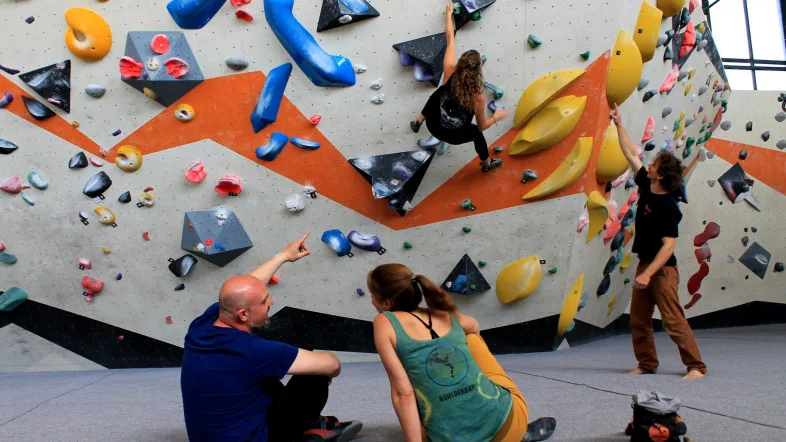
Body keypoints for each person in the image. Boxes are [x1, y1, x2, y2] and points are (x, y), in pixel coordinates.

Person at [181, 233, 363, 442]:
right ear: (243, 314)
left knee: (274, 371)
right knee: (316, 374)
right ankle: (303, 432)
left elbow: (250, 285)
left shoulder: (202, 326)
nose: (271, 302)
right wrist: (321, 369)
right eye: (264, 301)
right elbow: (333, 365)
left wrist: (284, 256)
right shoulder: (251, 350)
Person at [367, 263, 556, 442]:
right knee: (472, 338)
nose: (371, 300)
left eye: (372, 295)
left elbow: (403, 394)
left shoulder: (384, 322)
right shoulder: (443, 313)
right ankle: (517, 433)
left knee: (414, 385)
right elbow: (474, 326)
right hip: (511, 424)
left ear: (388, 302)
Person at [610, 105, 707, 381]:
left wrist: (649, 273)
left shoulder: (668, 206)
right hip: (645, 265)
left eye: (653, 165)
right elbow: (631, 153)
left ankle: (696, 367)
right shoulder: (646, 185)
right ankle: (647, 364)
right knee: (638, 320)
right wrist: (619, 124)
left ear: (660, 175)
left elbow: (669, 247)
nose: (648, 165)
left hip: (663, 270)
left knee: (672, 320)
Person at [410, 3, 508, 173]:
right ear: (478, 70)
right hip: (454, 135)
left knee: (436, 95)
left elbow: (450, 39)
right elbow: (482, 126)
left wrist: (448, 16)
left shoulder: (449, 71)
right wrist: (496, 117)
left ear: (461, 63)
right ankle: (486, 163)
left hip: (433, 124)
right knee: (477, 133)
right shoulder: (477, 97)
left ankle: (418, 121)